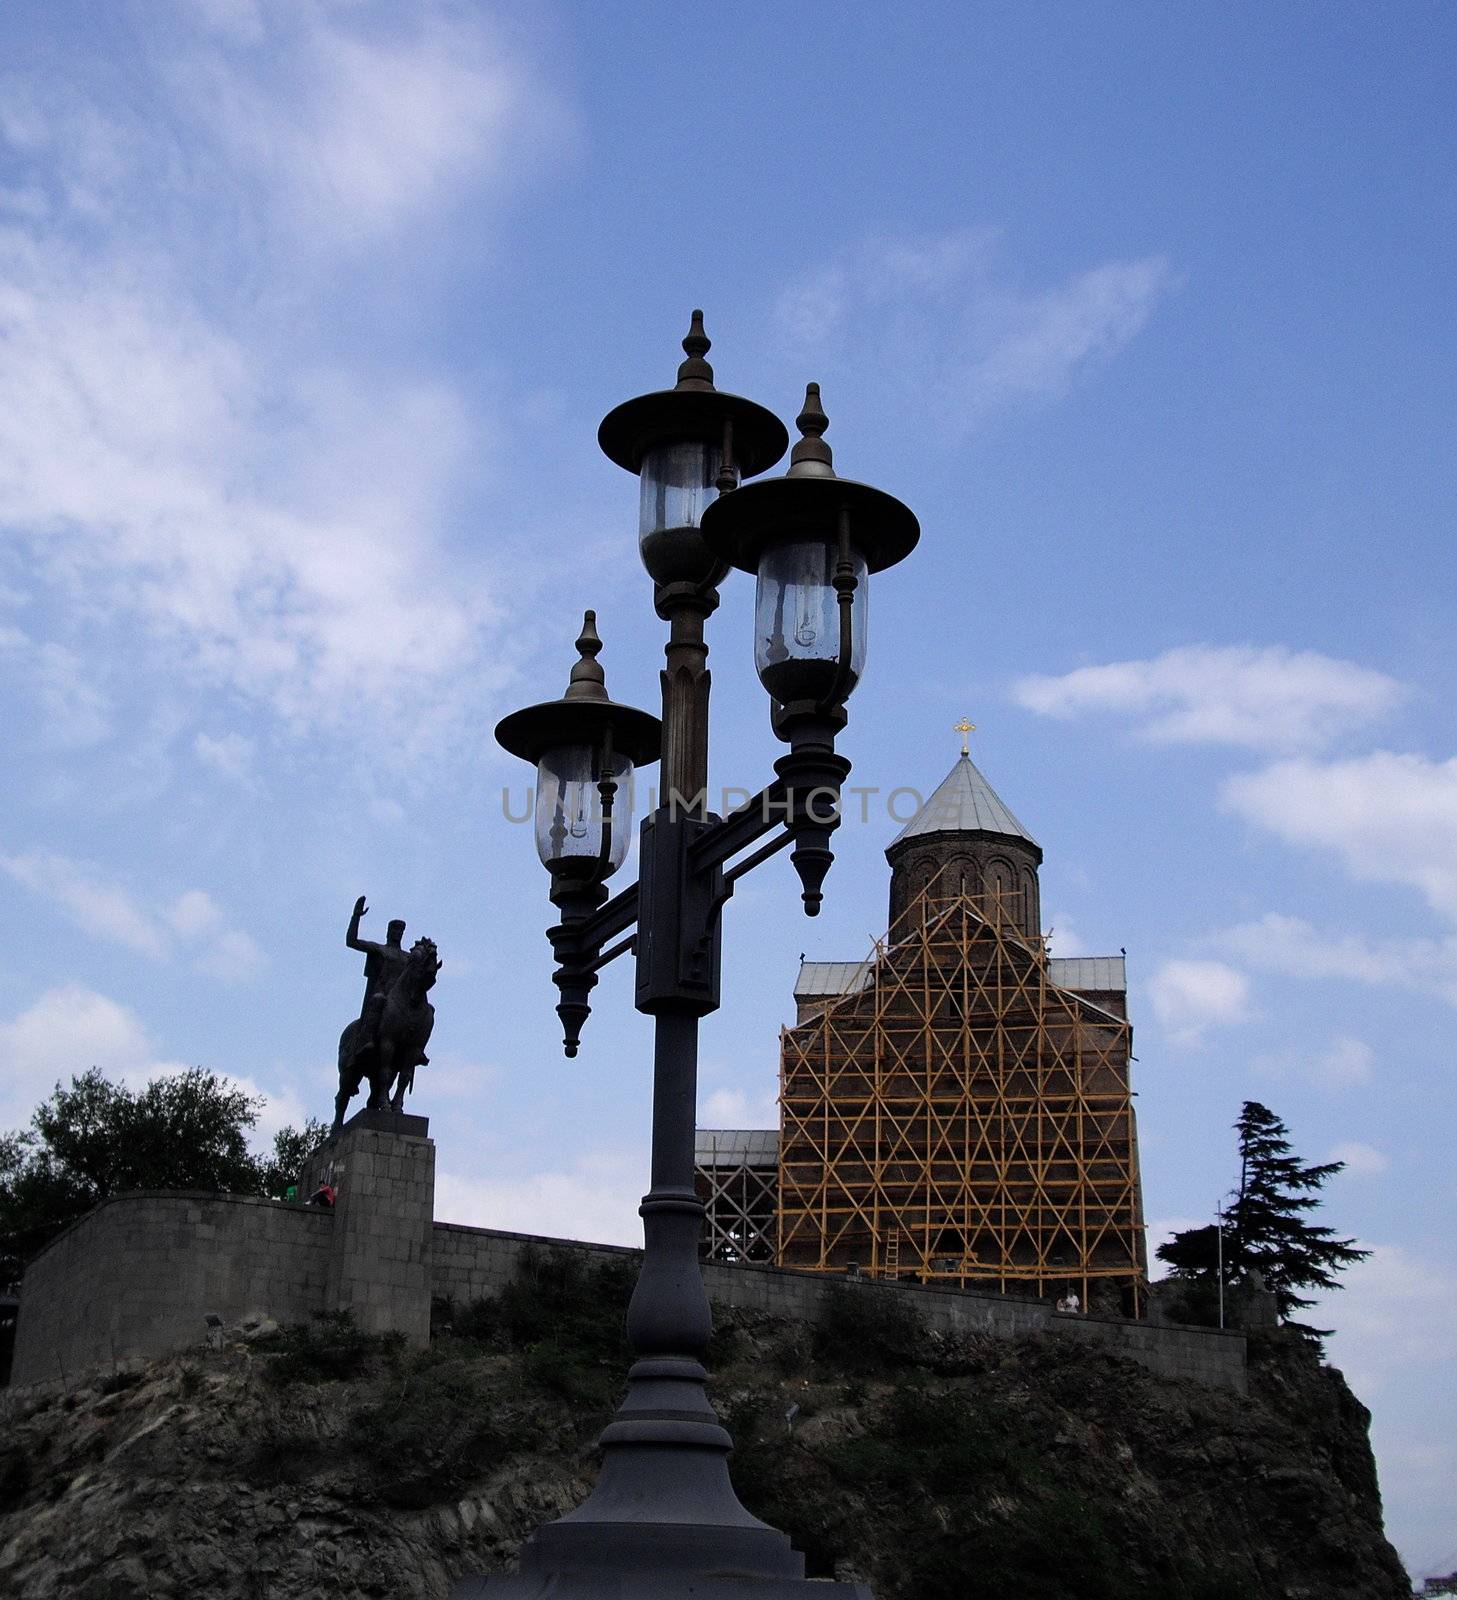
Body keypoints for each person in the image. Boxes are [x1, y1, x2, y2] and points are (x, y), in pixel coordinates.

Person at [347, 896, 411, 1052]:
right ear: (389, 932)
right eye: (395, 930)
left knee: (426, 1010)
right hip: (382, 993)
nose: (397, 933)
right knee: (378, 999)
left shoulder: (408, 957)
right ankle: (366, 1040)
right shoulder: (379, 949)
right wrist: (356, 917)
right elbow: (352, 941)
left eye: (400, 931)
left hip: (401, 999)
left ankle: (416, 1050)